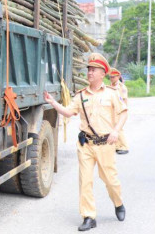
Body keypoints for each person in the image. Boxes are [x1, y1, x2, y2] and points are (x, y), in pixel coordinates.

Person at [44, 53, 127, 231]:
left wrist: (115, 131)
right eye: (88, 69)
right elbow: (68, 112)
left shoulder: (112, 94)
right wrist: (52, 102)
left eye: (93, 70)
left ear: (102, 73)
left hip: (106, 144)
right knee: (85, 181)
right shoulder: (81, 95)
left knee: (110, 180)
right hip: (86, 145)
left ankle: (118, 203)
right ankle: (89, 216)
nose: (89, 73)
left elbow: (123, 113)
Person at [108, 68, 129, 154]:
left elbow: (124, 100)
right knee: (113, 128)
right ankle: (117, 146)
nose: (112, 78)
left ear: (118, 77)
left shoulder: (121, 87)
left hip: (119, 110)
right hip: (112, 111)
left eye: (113, 77)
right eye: (110, 77)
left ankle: (124, 146)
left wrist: (123, 111)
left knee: (118, 128)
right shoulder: (111, 86)